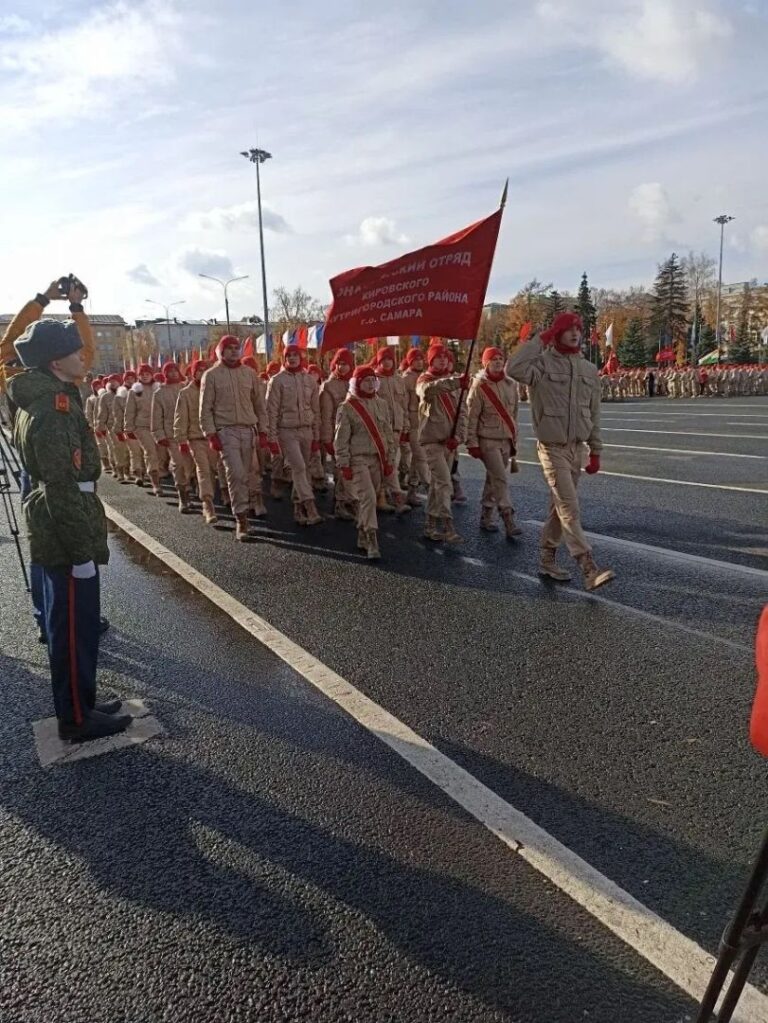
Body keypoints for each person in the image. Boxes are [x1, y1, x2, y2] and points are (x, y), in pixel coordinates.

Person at [8, 316, 131, 741]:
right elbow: (61, 486)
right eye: (74, 350)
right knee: (73, 628)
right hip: (65, 526)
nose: (83, 355)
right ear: (55, 362)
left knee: (76, 625)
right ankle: (76, 718)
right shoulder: (53, 410)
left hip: (62, 516)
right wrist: (81, 553)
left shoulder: (51, 398)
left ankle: (83, 702)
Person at [506, 312, 614, 590]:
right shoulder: (541, 364)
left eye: (578, 328)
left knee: (559, 507)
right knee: (569, 506)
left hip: (576, 449)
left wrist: (596, 450)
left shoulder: (588, 369)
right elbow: (513, 368)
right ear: (557, 333)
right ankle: (588, 566)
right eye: (568, 329)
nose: (575, 333)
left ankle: (547, 558)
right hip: (551, 448)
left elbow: (593, 413)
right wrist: (539, 340)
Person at [200, 335, 268, 540]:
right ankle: (241, 520)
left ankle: (245, 509)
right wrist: (211, 434)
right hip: (226, 432)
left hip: (248, 430)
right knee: (236, 474)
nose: (233, 351)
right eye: (228, 348)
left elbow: (259, 405)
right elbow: (205, 409)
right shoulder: (211, 376)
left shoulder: (249, 374)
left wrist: (263, 431)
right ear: (221, 351)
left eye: (236, 348)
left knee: (246, 475)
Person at [334, 364, 397, 560]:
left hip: (377, 459)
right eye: (365, 381)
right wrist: (344, 464)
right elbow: (341, 439)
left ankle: (362, 532)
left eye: (372, 380)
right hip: (357, 459)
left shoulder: (382, 404)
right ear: (357, 383)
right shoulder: (347, 407)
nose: (370, 384)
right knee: (368, 498)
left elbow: (388, 434)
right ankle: (371, 538)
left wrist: (390, 459)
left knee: (370, 499)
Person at [466, 347, 522, 539]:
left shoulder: (510, 384)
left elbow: (514, 414)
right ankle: (508, 517)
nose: (498, 362)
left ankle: (486, 516)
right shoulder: (479, 387)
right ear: (486, 363)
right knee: (500, 478)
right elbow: (472, 417)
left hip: (505, 440)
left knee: (493, 479)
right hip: (487, 440)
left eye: (500, 358)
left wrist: (514, 437)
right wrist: (472, 443)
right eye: (493, 359)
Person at [416, 345, 468, 543]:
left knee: (437, 485)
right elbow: (428, 391)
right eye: (438, 357)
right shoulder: (424, 380)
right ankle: (448, 525)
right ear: (430, 361)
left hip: (449, 443)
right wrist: (455, 382)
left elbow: (462, 413)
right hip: (432, 441)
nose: (443, 360)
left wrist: (459, 437)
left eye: (445, 357)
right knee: (445, 483)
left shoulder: (455, 383)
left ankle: (429, 525)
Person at [266, 344, 322, 526]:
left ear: (301, 358)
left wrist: (316, 437)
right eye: (288, 355)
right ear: (284, 359)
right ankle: (310, 505)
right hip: (287, 431)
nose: (292, 358)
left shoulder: (310, 380)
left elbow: (316, 411)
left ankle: (298, 509)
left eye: (295, 355)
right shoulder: (277, 381)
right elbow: (271, 411)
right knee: (298, 467)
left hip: (306, 430)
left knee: (304, 470)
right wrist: (272, 439)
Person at [174, 358, 219, 524]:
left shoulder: (214, 390)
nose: (202, 373)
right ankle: (207, 504)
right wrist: (181, 440)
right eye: (199, 371)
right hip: (196, 438)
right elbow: (180, 418)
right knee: (203, 469)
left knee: (213, 470)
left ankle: (206, 493)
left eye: (205, 370)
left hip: (213, 437)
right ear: (194, 374)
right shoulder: (185, 393)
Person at [371, 346, 411, 515]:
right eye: (384, 359)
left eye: (390, 359)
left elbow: (403, 405)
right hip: (381, 428)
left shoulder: (398, 380)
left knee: (390, 462)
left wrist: (405, 425)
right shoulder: (373, 379)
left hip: (396, 428)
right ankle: (392, 497)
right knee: (386, 463)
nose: (387, 362)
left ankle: (383, 496)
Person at [151, 361, 195, 513]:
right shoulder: (160, 393)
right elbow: (156, 417)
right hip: (172, 435)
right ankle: (183, 496)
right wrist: (159, 435)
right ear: (165, 374)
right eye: (170, 371)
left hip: (191, 433)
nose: (174, 373)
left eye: (175, 370)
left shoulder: (187, 387)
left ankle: (190, 489)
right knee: (179, 464)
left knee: (191, 465)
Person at [319, 348, 356, 520]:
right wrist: (327, 439)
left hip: (354, 434)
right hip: (337, 433)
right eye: (340, 364)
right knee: (341, 469)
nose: (343, 367)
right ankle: (341, 504)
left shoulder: (355, 383)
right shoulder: (328, 386)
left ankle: (347, 500)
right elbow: (325, 416)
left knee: (352, 469)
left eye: (346, 364)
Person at [125, 364, 162, 495]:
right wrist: (128, 429)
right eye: (142, 374)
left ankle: (157, 473)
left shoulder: (158, 389)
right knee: (151, 452)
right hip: (142, 426)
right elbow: (130, 411)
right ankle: (155, 483)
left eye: (147, 374)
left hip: (159, 426)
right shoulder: (134, 391)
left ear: (152, 375)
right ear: (138, 376)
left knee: (161, 454)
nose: (145, 376)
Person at [399, 348, 430, 505]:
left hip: (425, 421)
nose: (419, 362)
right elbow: (402, 405)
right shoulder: (405, 379)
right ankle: (431, 488)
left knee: (416, 460)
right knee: (421, 457)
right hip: (413, 423)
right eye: (416, 359)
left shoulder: (425, 377)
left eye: (421, 359)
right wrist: (404, 426)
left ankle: (411, 491)